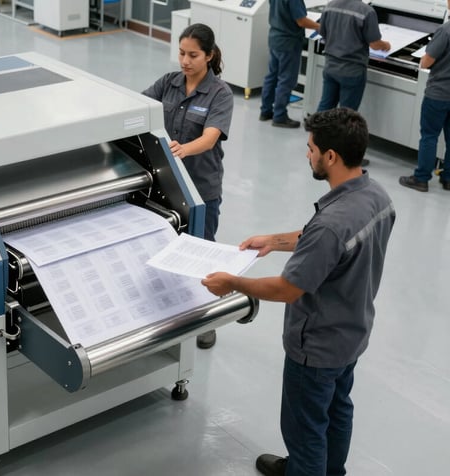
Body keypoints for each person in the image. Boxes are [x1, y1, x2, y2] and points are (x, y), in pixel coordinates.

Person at [202, 108, 395, 476]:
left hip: (316, 348)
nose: (308, 154)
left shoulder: (332, 223)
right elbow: (331, 246)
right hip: (351, 333)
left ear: (331, 156)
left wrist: (232, 283)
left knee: (305, 431)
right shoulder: (376, 197)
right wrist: (274, 241)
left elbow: (288, 288)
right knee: (337, 411)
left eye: (311, 148)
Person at [142, 23, 233, 349]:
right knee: (168, 244)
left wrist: (181, 149)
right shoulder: (169, 83)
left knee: (202, 251)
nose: (185, 61)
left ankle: (206, 317)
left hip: (201, 187)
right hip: (167, 184)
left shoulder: (220, 94)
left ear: (208, 55)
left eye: (193, 55)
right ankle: (170, 310)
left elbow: (209, 138)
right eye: (181, 53)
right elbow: (141, 107)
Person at [399, 0, 450, 193]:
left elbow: (426, 63)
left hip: (438, 94)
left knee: (429, 136)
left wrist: (422, 58)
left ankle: (421, 179)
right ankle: (448, 178)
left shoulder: (445, 31)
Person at [315, 0, 390, 113]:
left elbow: (322, 32)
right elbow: (374, 44)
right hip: (352, 70)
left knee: (325, 106)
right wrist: (386, 45)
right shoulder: (367, 11)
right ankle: (341, 131)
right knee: (347, 114)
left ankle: (314, 131)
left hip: (330, 66)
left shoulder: (330, 6)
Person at [259, 0, 319, 128]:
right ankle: (279, 116)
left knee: (272, 76)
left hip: (275, 37)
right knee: (286, 80)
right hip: (289, 42)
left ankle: (265, 111)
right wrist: (319, 27)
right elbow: (301, 21)